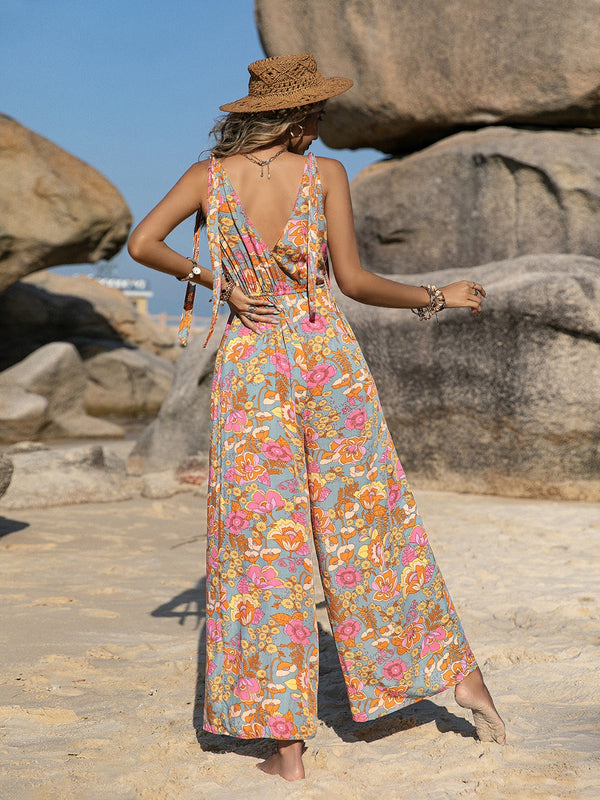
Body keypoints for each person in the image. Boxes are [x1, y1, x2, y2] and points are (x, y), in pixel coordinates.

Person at [128, 52, 505, 782]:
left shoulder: (209, 178)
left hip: (253, 367)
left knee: (261, 551)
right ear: (295, 117)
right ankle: (461, 679)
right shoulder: (325, 174)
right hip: (327, 360)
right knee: (371, 526)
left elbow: (143, 243)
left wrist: (221, 283)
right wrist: (438, 295)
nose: (324, 124)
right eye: (318, 113)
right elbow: (354, 282)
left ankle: (285, 751)